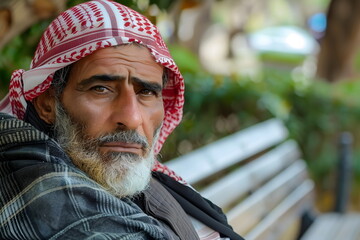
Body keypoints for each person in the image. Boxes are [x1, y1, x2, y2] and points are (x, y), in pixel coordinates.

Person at [0, 1, 244, 239]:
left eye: (146, 92)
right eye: (101, 89)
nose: (131, 118)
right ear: (46, 103)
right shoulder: (50, 200)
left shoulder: (141, 182)